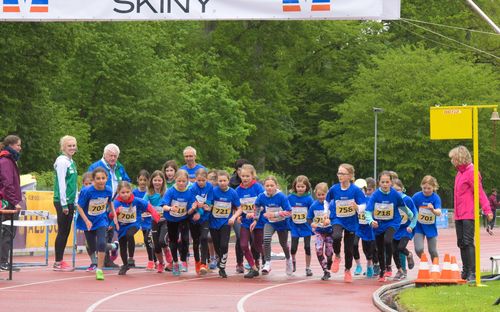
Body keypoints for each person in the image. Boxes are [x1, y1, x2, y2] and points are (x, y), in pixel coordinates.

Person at [449, 146, 492, 281]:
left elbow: (480, 192)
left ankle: (472, 272)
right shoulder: (459, 173)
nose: (452, 161)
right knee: (461, 242)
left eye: (454, 158)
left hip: (468, 213)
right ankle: (465, 270)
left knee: (468, 242)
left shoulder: (472, 171)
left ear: (460, 158)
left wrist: (487, 210)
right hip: (459, 214)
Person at [365, 171, 414, 282]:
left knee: (388, 240)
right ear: (379, 183)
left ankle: (388, 266)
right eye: (383, 182)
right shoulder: (375, 195)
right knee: (380, 249)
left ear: (391, 182)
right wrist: (371, 221)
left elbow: (403, 207)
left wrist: (411, 216)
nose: (385, 184)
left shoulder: (395, 194)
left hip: (393, 222)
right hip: (378, 224)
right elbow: (368, 211)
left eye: (387, 182)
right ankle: (382, 271)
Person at [88, 144, 131, 268]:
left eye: (115, 156)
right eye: (110, 155)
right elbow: (88, 183)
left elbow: (126, 182)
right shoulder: (96, 166)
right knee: (96, 235)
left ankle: (106, 259)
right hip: (99, 203)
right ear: (104, 155)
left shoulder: (119, 167)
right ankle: (101, 256)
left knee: (109, 232)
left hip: (114, 204)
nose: (113, 158)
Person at [76, 167, 119, 280]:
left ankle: (99, 269)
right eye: (98, 178)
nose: (101, 181)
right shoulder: (87, 191)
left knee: (101, 243)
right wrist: (86, 220)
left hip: (101, 219)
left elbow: (110, 202)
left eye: (103, 178)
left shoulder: (108, 190)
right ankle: (114, 247)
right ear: (94, 180)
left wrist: (114, 215)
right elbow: (79, 207)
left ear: (106, 178)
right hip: (88, 220)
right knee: (92, 246)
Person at [327, 164, 366, 283]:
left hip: (351, 221)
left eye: (342, 173)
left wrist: (357, 207)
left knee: (349, 249)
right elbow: (326, 201)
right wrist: (325, 213)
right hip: (337, 218)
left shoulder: (355, 190)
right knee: (336, 236)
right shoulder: (334, 189)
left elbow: (364, 205)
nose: (340, 176)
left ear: (350, 176)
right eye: (338, 173)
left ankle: (347, 270)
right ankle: (337, 256)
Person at [113, 181, 159, 275]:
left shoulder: (136, 200)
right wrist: (117, 211)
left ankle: (131, 258)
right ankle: (125, 265)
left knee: (130, 235)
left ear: (130, 191)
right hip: (121, 226)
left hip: (134, 223)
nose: (125, 195)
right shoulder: (116, 203)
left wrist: (155, 215)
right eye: (122, 193)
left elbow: (147, 206)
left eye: (127, 192)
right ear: (118, 192)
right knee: (122, 245)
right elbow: (111, 215)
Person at [255, 176, 293, 276]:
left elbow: (289, 212)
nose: (269, 188)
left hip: (282, 223)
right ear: (264, 186)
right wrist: (255, 218)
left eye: (272, 185)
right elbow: (257, 206)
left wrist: (275, 214)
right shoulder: (261, 196)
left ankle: (288, 260)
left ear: (276, 186)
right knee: (266, 239)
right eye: (267, 186)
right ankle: (267, 262)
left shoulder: (281, 197)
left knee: (283, 244)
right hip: (269, 222)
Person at [209, 170, 242, 278]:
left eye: (224, 180)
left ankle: (222, 267)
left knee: (224, 245)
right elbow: (209, 205)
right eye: (220, 181)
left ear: (228, 181)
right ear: (217, 181)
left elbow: (239, 208)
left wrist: (233, 217)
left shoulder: (233, 193)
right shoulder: (213, 191)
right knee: (217, 245)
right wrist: (207, 207)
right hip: (213, 223)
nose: (222, 183)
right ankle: (219, 259)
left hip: (226, 223)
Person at [53, 135, 78, 272]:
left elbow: (73, 184)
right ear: (63, 147)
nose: (72, 148)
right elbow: (62, 183)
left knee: (66, 231)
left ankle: (60, 260)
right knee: (62, 231)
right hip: (62, 201)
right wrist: (64, 204)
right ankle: (58, 262)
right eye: (69, 145)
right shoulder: (62, 161)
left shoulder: (71, 161)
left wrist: (75, 200)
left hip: (70, 201)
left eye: (74, 145)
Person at [161, 169, 193, 276]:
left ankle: (183, 260)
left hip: (184, 218)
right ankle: (175, 262)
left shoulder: (189, 192)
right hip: (171, 219)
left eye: (183, 181)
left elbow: (190, 208)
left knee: (184, 239)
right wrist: (170, 208)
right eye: (179, 181)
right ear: (175, 180)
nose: (181, 183)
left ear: (187, 181)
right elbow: (164, 206)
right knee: (173, 241)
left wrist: (193, 209)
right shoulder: (170, 191)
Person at [236, 164, 265, 278]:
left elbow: (263, 204)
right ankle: (253, 267)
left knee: (257, 245)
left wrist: (255, 214)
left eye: (247, 176)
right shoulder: (238, 190)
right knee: (243, 244)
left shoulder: (258, 188)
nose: (245, 178)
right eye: (243, 176)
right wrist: (237, 215)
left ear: (253, 176)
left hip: (258, 221)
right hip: (245, 222)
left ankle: (266, 259)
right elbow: (237, 206)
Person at [0, 135, 22, 272]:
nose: (20, 148)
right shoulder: (5, 161)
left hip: (9, 200)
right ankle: (3, 261)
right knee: (7, 232)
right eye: (18, 145)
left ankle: (3, 260)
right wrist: (14, 202)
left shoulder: (10, 160)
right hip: (7, 202)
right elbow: (7, 184)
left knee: (8, 233)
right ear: (11, 145)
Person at [145, 170, 171, 273]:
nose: (157, 182)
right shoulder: (149, 193)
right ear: (151, 181)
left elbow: (170, 202)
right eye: (155, 180)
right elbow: (144, 203)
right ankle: (161, 263)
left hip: (165, 221)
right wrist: (146, 210)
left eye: (159, 180)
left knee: (162, 241)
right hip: (154, 221)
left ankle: (168, 254)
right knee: (156, 245)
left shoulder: (167, 192)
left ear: (163, 181)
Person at [188, 168, 213, 275]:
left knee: (204, 237)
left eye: (203, 180)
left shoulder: (210, 187)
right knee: (196, 241)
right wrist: (196, 212)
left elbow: (209, 202)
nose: (201, 183)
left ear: (207, 179)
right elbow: (193, 203)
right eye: (199, 180)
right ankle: (197, 262)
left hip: (205, 218)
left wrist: (201, 212)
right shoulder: (192, 188)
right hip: (193, 218)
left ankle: (204, 263)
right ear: (195, 179)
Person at [288, 175, 314, 277]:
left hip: (306, 226)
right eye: (298, 186)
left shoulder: (309, 199)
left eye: (302, 187)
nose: (300, 189)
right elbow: (286, 207)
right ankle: (293, 261)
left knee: (307, 246)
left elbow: (312, 211)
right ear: (295, 186)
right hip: (294, 225)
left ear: (306, 187)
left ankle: (308, 268)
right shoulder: (290, 198)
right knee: (293, 247)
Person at [411, 175, 442, 262]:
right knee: (418, 249)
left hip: (430, 227)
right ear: (421, 186)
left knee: (432, 250)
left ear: (434, 187)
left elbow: (439, 212)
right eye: (424, 188)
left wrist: (433, 210)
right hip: (419, 227)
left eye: (429, 188)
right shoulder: (416, 196)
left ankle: (435, 267)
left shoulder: (436, 198)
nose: (426, 190)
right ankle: (424, 262)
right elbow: (410, 208)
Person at [392, 178, 417, 281]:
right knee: (394, 250)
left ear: (402, 189)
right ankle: (400, 270)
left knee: (400, 247)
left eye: (398, 190)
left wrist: (411, 226)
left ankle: (409, 254)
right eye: (393, 190)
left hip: (406, 229)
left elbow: (415, 215)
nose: (396, 193)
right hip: (395, 229)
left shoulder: (407, 200)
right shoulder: (390, 200)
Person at [309, 182, 333, 281]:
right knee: (318, 250)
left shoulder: (330, 205)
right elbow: (309, 218)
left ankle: (330, 260)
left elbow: (336, 217)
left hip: (330, 232)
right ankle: (325, 270)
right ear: (315, 194)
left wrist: (330, 220)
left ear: (327, 194)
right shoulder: (314, 205)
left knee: (329, 252)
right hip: (319, 232)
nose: (321, 197)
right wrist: (312, 224)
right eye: (319, 195)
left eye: (323, 194)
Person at [229, 159, 249, 274]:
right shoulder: (232, 182)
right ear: (236, 171)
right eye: (240, 169)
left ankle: (253, 261)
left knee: (252, 238)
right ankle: (239, 262)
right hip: (237, 214)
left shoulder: (254, 182)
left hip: (250, 215)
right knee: (240, 236)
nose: (243, 173)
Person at [133, 170, 156, 270]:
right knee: (147, 241)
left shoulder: (151, 191)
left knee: (148, 239)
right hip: (140, 220)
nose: (142, 182)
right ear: (137, 180)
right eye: (140, 179)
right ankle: (153, 259)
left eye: (145, 180)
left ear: (148, 181)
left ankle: (152, 261)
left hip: (150, 220)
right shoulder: (134, 192)